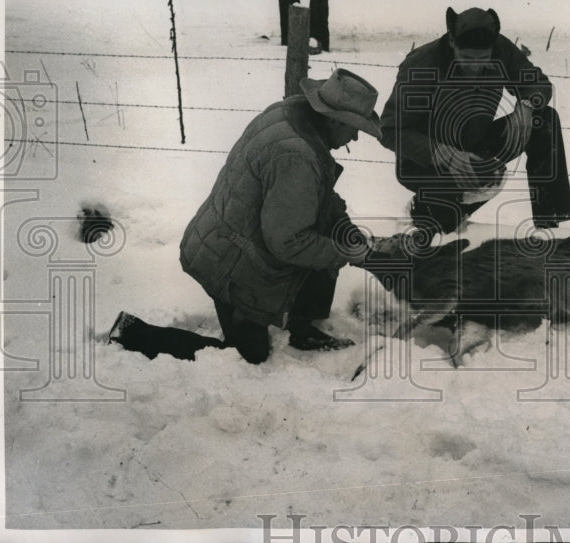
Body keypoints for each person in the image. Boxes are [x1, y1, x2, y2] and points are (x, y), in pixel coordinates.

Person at [109, 69, 379, 364]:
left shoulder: (290, 113)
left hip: (228, 239)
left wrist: (347, 232)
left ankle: (301, 327)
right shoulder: (297, 156)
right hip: (229, 264)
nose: (355, 135)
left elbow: (316, 198)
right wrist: (345, 252)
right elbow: (289, 242)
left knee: (329, 236)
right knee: (248, 356)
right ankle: (133, 333)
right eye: (354, 128)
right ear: (334, 120)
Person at [379, 6, 570, 236]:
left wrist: (528, 105)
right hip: (425, 161)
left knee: (545, 120)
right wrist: (442, 153)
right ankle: (423, 209)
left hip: (476, 144)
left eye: (483, 59)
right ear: (452, 42)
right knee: (443, 226)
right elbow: (391, 130)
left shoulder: (502, 50)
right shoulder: (423, 65)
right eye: (467, 58)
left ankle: (550, 224)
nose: (475, 66)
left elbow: (538, 83)